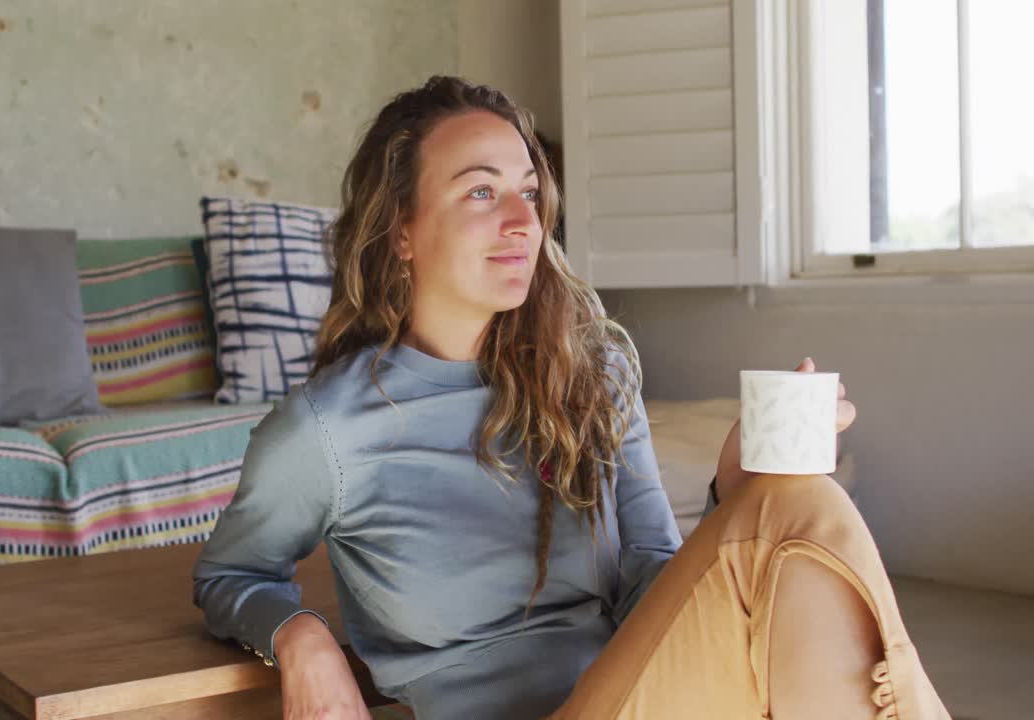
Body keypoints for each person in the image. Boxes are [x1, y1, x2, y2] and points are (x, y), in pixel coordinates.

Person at [192, 75, 952, 720]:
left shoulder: (594, 372)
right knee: (796, 510)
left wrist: (733, 488)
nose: (523, 222)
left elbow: (650, 579)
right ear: (401, 231)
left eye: (529, 192)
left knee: (796, 497)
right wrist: (300, 637)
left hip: (644, 696)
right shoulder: (329, 429)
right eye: (481, 192)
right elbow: (229, 575)